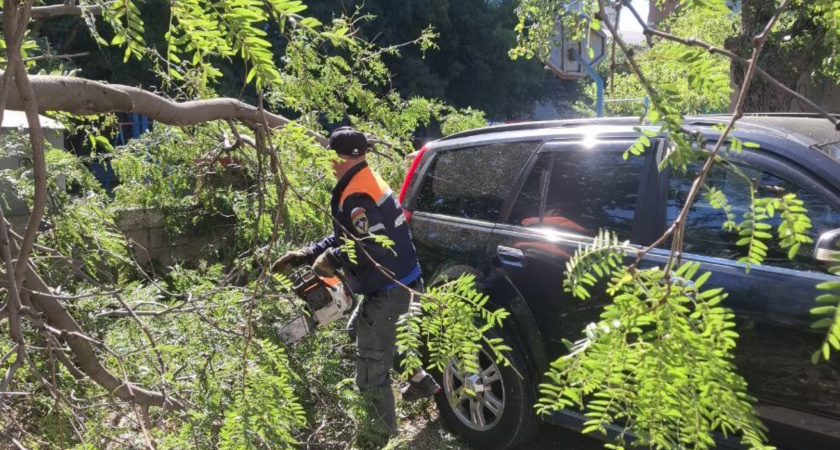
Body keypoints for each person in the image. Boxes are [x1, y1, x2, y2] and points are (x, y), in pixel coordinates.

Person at [275, 127, 439, 436]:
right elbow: (348, 237)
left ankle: (379, 438)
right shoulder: (365, 179)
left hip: (390, 292)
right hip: (404, 283)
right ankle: (420, 381)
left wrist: (333, 259)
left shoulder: (355, 196)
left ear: (337, 158)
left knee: (371, 373)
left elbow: (373, 246)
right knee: (360, 332)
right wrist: (307, 254)